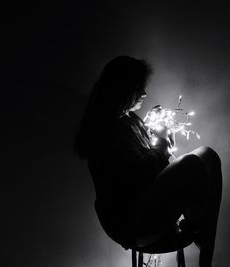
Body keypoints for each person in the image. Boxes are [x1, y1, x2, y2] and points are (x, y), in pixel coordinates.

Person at [74, 55, 222, 267]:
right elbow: (142, 176)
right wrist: (162, 143)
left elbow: (150, 166)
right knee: (192, 164)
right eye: (138, 88)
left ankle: (204, 252)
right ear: (123, 90)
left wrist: (153, 134)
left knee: (208, 156)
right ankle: (196, 229)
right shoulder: (105, 131)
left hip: (145, 206)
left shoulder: (129, 120)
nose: (144, 93)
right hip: (132, 222)